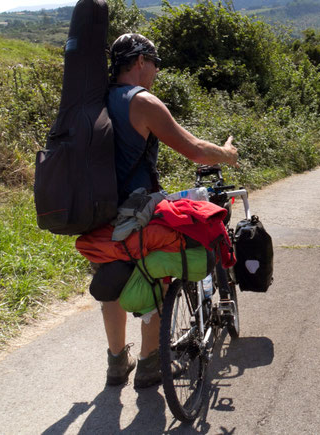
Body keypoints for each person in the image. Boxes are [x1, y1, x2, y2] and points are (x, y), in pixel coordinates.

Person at [101, 33, 238, 389]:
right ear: (141, 61)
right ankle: (149, 363)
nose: (157, 71)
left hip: (95, 211)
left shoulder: (92, 98)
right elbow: (194, 150)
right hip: (138, 212)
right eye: (156, 64)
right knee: (156, 277)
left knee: (111, 282)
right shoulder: (143, 102)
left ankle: (117, 361)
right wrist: (227, 154)